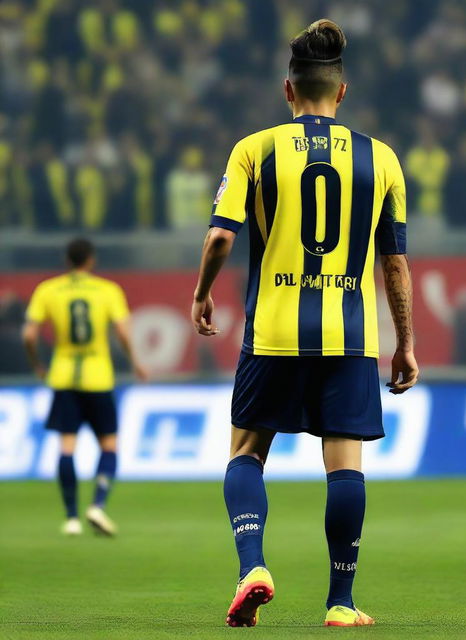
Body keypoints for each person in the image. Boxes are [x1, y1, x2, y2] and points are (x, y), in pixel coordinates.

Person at [190, 19, 418, 628]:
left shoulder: (254, 150)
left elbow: (219, 237)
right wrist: (406, 344)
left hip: (273, 330)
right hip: (349, 337)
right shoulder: (382, 159)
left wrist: (203, 292)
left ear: (287, 91)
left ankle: (253, 568)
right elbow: (394, 262)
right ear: (341, 93)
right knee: (345, 466)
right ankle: (340, 603)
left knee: (246, 453)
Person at [22, 238, 148, 536]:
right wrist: (135, 362)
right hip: (98, 377)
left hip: (63, 375)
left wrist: (37, 363)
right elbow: (123, 332)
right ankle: (98, 505)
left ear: (67, 260)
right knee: (109, 445)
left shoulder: (48, 290)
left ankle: (71, 518)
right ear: (90, 261)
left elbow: (29, 334)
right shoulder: (107, 290)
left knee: (67, 446)